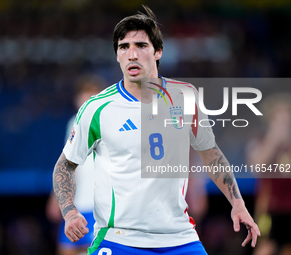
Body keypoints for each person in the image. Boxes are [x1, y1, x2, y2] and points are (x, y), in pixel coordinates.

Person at [53, 6, 260, 255]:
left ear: (158, 51)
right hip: (120, 240)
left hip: (179, 237)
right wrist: (69, 210)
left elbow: (210, 154)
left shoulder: (185, 97)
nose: (131, 54)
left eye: (140, 45)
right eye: (123, 47)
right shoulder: (97, 108)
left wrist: (237, 203)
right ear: (117, 55)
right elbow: (65, 165)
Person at [47, 75, 105, 255]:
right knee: (66, 250)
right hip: (77, 204)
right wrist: (55, 197)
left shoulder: (107, 123)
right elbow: (68, 164)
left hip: (100, 205)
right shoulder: (73, 123)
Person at [246, 93, 291, 255]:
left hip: (289, 207)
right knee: (266, 246)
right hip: (268, 208)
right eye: (279, 121)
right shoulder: (260, 141)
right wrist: (274, 140)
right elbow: (256, 165)